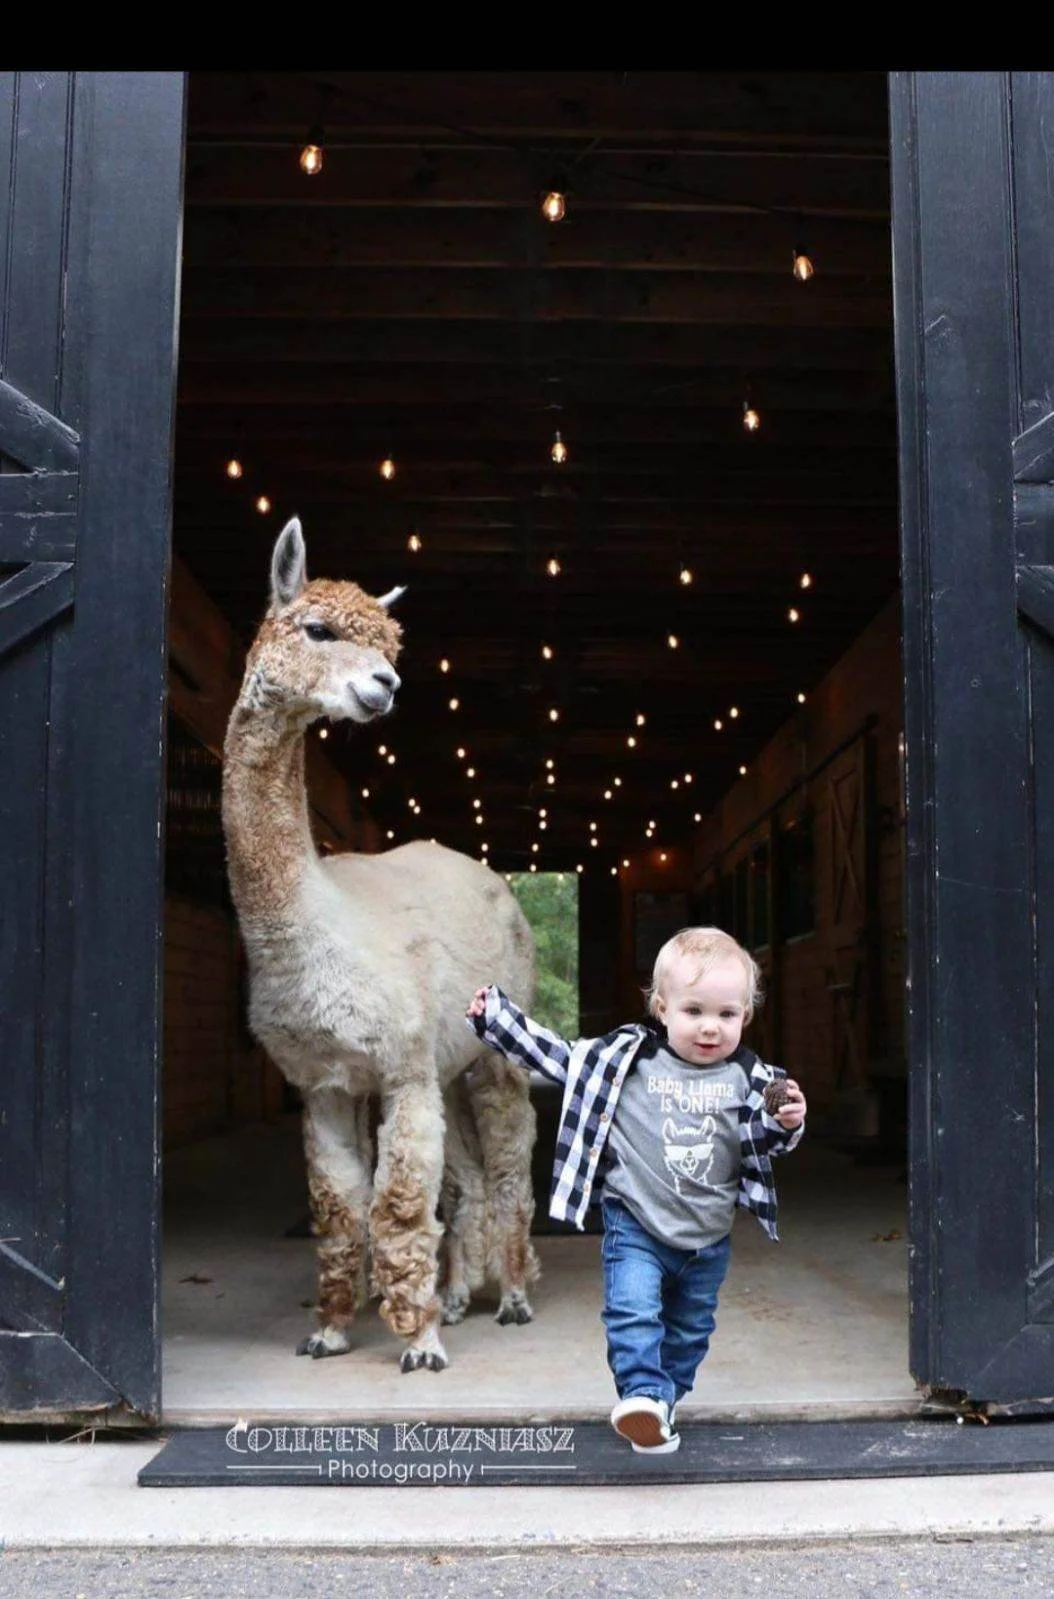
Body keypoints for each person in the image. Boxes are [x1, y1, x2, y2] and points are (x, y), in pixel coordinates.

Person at [466, 924, 806, 1455]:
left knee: (690, 1333)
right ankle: (642, 1394)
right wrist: (497, 1020)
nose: (710, 1027)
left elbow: (769, 1140)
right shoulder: (630, 1061)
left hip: (707, 1237)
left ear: (745, 1016)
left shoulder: (751, 1077)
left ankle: (661, 1406)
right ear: (662, 1009)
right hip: (636, 1223)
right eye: (693, 1011)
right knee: (633, 1311)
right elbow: (559, 1058)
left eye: (726, 1014)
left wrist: (787, 1120)